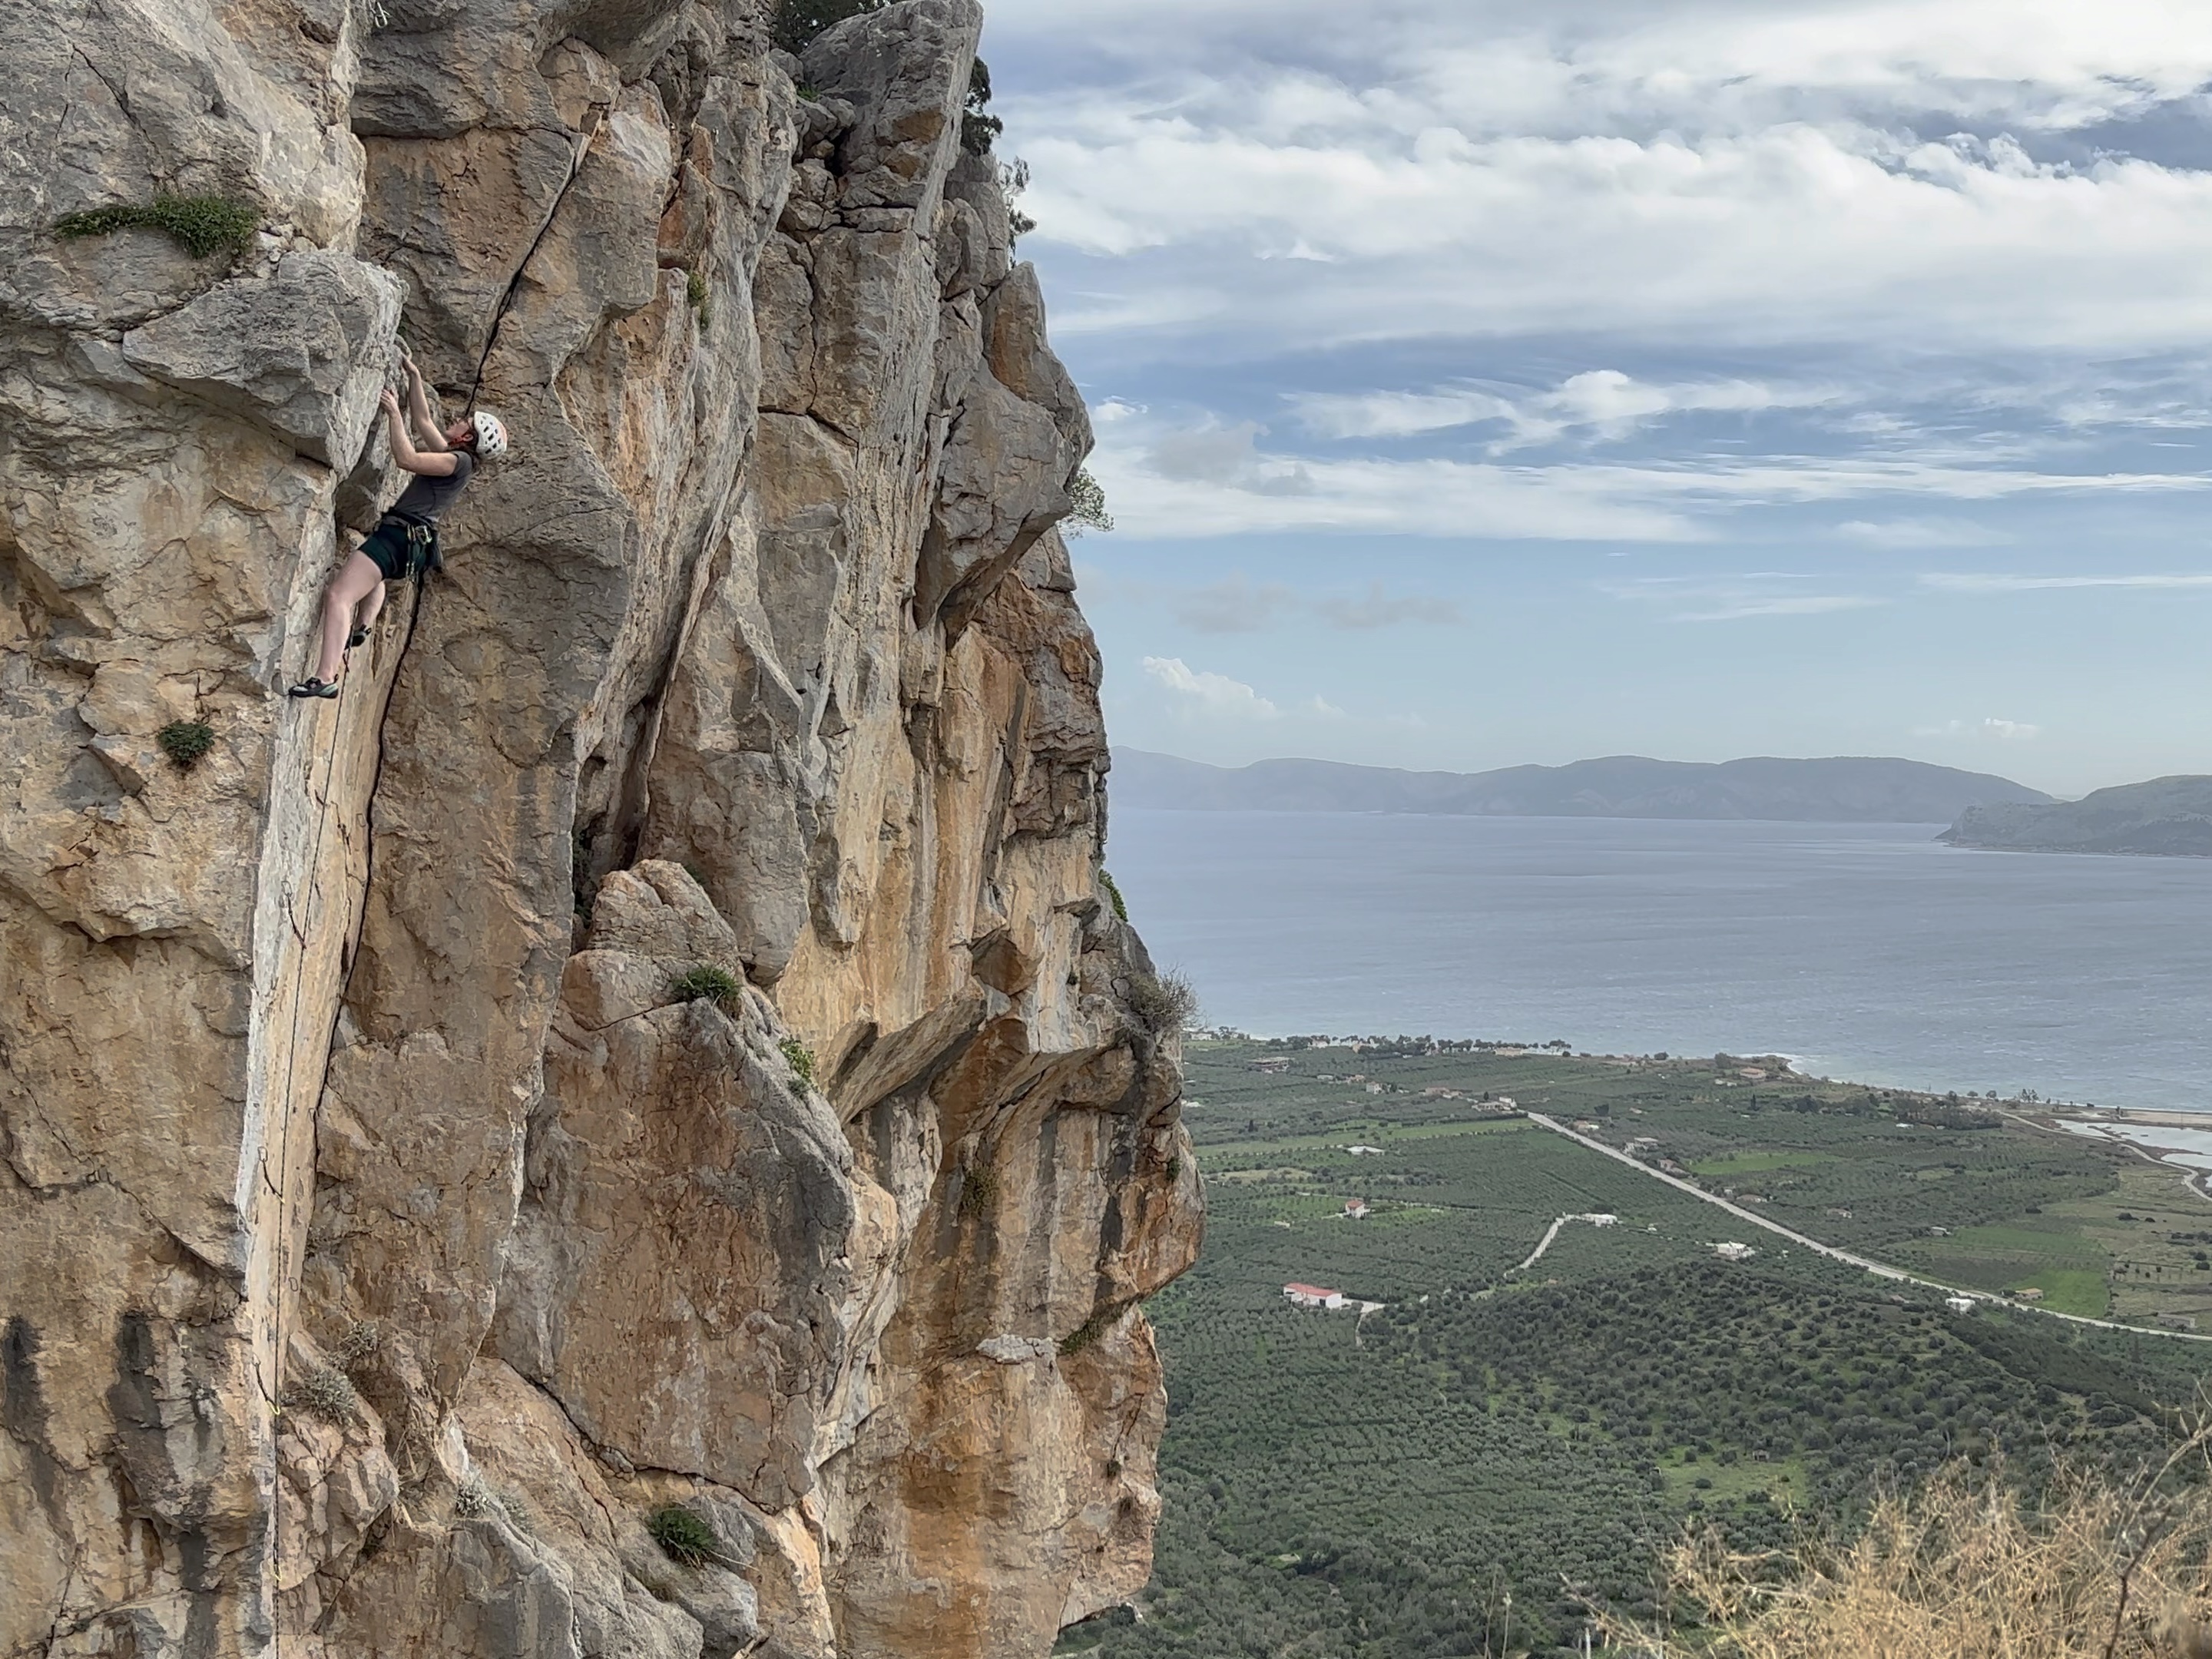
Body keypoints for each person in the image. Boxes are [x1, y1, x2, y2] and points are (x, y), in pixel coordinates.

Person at [289, 348, 509, 698]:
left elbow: (406, 459)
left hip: (398, 537)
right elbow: (423, 423)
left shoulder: (457, 463)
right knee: (374, 575)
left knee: (338, 596)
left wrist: (392, 413)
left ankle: (325, 676)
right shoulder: (458, 457)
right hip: (409, 543)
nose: (458, 420)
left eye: (465, 422)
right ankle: (362, 626)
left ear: (468, 438)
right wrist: (414, 376)